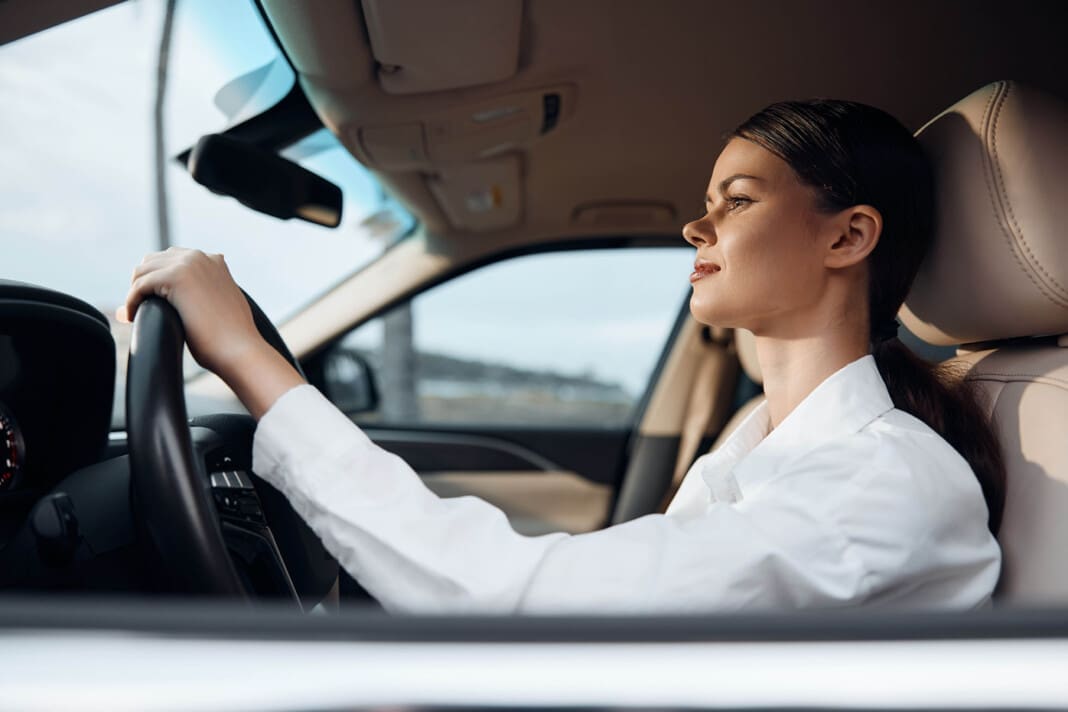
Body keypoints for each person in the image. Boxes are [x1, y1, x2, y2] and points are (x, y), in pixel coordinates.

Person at [122, 99, 1004, 613]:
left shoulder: (883, 484)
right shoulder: (760, 441)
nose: (696, 227)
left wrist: (247, 359)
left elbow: (521, 596)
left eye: (736, 201)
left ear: (848, 236)